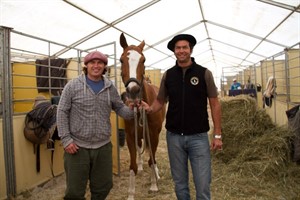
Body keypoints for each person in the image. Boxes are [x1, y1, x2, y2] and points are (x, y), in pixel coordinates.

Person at [140, 34, 222, 200]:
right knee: (180, 184)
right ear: (174, 51)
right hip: (174, 137)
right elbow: (160, 101)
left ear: (190, 50)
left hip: (198, 137)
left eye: (185, 47)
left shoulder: (204, 74)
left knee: (203, 184)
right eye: (178, 48)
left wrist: (217, 134)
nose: (181, 51)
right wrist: (149, 109)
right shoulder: (168, 75)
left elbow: (215, 104)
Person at [56, 51, 134, 200]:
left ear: (105, 66)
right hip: (77, 148)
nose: (96, 66)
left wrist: (133, 109)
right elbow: (61, 112)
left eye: (100, 63)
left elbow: (120, 108)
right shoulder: (72, 86)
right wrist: (66, 139)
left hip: (103, 147)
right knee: (74, 192)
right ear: (86, 65)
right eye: (92, 63)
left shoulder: (110, 87)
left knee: (104, 186)